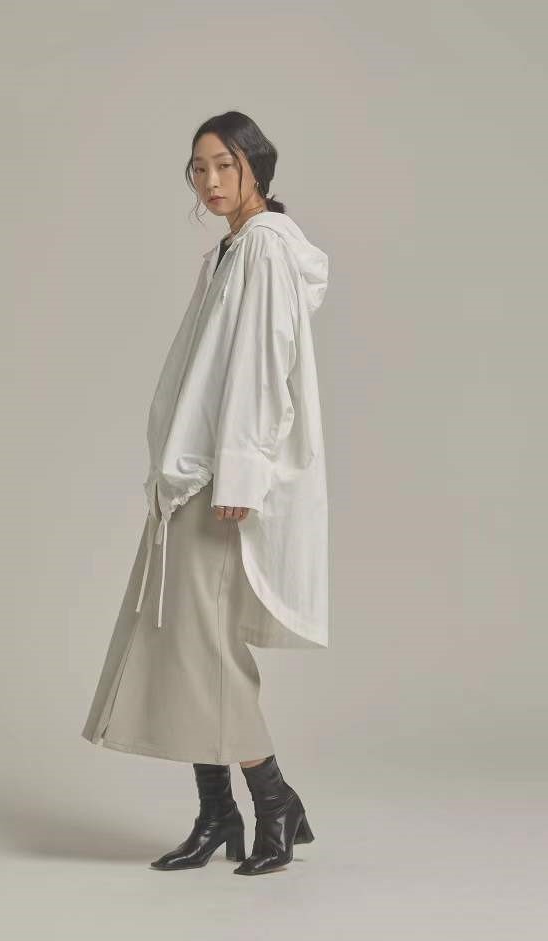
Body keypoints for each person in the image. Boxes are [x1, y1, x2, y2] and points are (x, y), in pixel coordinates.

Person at [81, 110, 329, 876]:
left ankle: (274, 801)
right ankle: (218, 813)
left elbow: (262, 365)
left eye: (225, 164)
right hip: (190, 478)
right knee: (180, 641)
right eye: (199, 168)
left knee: (206, 647)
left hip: (220, 481)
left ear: (256, 165)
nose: (210, 180)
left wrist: (242, 473)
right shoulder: (229, 249)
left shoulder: (263, 248)